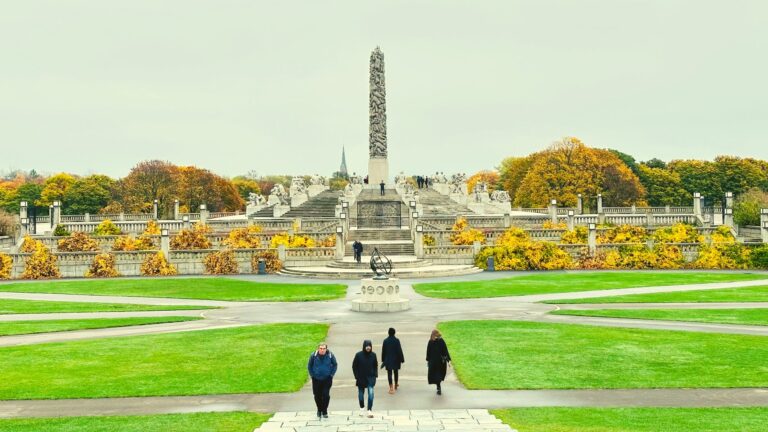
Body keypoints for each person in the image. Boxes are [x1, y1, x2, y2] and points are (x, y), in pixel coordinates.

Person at [307, 342, 337, 419]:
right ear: (318, 348)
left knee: (326, 395)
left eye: (324, 348)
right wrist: (312, 375)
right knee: (317, 396)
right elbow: (309, 366)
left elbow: (335, 364)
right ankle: (319, 409)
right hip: (316, 379)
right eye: (321, 348)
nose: (322, 350)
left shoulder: (330, 355)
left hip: (327, 379)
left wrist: (331, 374)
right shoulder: (313, 355)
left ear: (326, 349)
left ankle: (325, 411)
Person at [352, 339, 378, 417]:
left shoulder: (373, 355)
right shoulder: (358, 355)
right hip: (361, 377)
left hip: (371, 378)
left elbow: (375, 365)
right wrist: (356, 376)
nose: (368, 348)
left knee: (371, 394)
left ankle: (369, 410)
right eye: (367, 346)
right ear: (364, 346)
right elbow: (354, 366)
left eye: (369, 346)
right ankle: (362, 408)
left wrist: (375, 375)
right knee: (361, 394)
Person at [426, 329, 451, 395]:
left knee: (435, 374)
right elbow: (445, 350)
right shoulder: (441, 341)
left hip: (433, 361)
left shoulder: (430, 341)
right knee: (439, 374)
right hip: (440, 362)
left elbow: (428, 352)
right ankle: (438, 386)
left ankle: (438, 386)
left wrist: (428, 360)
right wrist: (448, 359)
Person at [381, 327, 405, 394]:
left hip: (388, 359)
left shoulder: (385, 341)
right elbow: (399, 350)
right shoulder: (397, 340)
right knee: (396, 372)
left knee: (389, 373)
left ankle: (391, 387)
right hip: (396, 359)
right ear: (394, 333)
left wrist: (383, 359)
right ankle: (396, 384)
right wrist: (402, 359)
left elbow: (383, 351)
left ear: (388, 333)